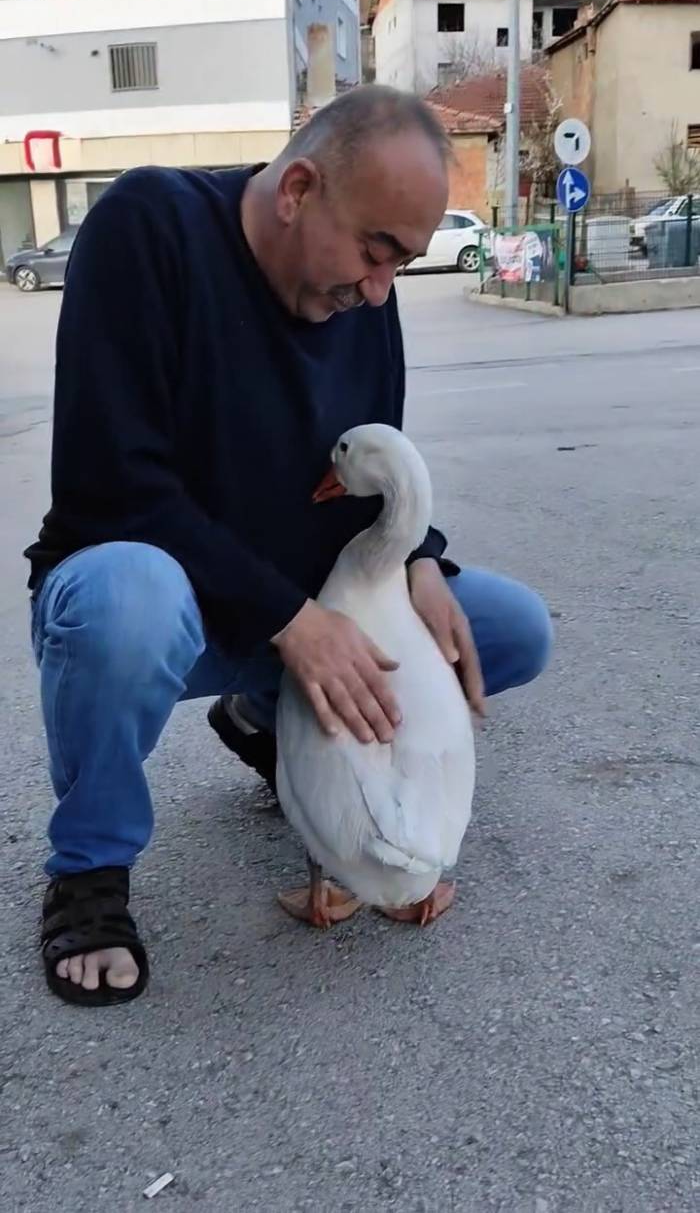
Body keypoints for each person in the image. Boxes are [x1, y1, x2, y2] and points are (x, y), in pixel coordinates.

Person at [26, 85, 553, 1007]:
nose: (380, 288)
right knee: (129, 604)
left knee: (504, 629)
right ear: (299, 188)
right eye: (375, 252)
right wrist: (293, 622)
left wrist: (418, 559)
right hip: (162, 600)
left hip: (299, 603)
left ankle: (271, 724)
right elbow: (114, 483)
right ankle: (90, 869)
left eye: (402, 264)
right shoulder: (147, 230)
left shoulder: (361, 295)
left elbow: (370, 459)